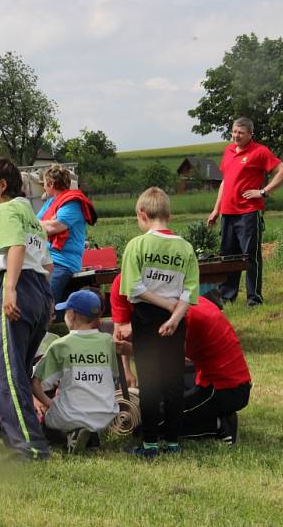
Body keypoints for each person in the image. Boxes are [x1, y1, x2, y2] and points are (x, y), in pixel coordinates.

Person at [110, 274, 251, 444]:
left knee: (150, 426)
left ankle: (218, 424)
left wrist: (133, 349)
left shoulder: (185, 314)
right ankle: (214, 414)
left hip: (222, 389)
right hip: (215, 380)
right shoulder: (175, 300)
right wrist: (127, 372)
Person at [0, 156, 53, 460]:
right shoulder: (30, 213)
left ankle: (29, 446)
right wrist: (45, 300)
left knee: (4, 373)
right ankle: (24, 440)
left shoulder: (6, 210)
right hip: (40, 289)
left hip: (18, 287)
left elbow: (16, 249)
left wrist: (8, 290)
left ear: (2, 186)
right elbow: (47, 262)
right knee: (18, 370)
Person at [119, 187, 199, 459]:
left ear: (142, 214)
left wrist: (165, 307)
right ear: (169, 214)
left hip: (146, 318)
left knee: (150, 380)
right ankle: (174, 441)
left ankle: (150, 443)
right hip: (177, 321)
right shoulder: (185, 247)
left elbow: (133, 288)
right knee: (174, 380)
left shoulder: (137, 245)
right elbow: (190, 291)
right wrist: (175, 316)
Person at [207, 117, 283, 306]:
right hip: (228, 213)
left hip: (248, 212)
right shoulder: (228, 151)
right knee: (228, 256)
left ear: (250, 135)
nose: (236, 135)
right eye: (234, 132)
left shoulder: (260, 152)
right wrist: (216, 209)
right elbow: (225, 182)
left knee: (249, 256)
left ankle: (254, 299)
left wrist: (263, 192)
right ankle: (228, 296)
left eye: (241, 133)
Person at [32, 290, 118, 454]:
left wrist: (50, 404)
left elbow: (35, 384)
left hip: (70, 415)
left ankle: (69, 438)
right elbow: (113, 376)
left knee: (45, 422)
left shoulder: (61, 345)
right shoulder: (108, 342)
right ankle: (91, 437)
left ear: (71, 314)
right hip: (106, 414)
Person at [36, 164, 97, 309]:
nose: (44, 187)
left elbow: (53, 227)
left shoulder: (73, 203)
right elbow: (32, 224)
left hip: (62, 262)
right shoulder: (52, 202)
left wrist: (42, 224)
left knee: (45, 303)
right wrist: (42, 223)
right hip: (46, 259)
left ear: (50, 183)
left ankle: (51, 321)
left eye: (44, 184)